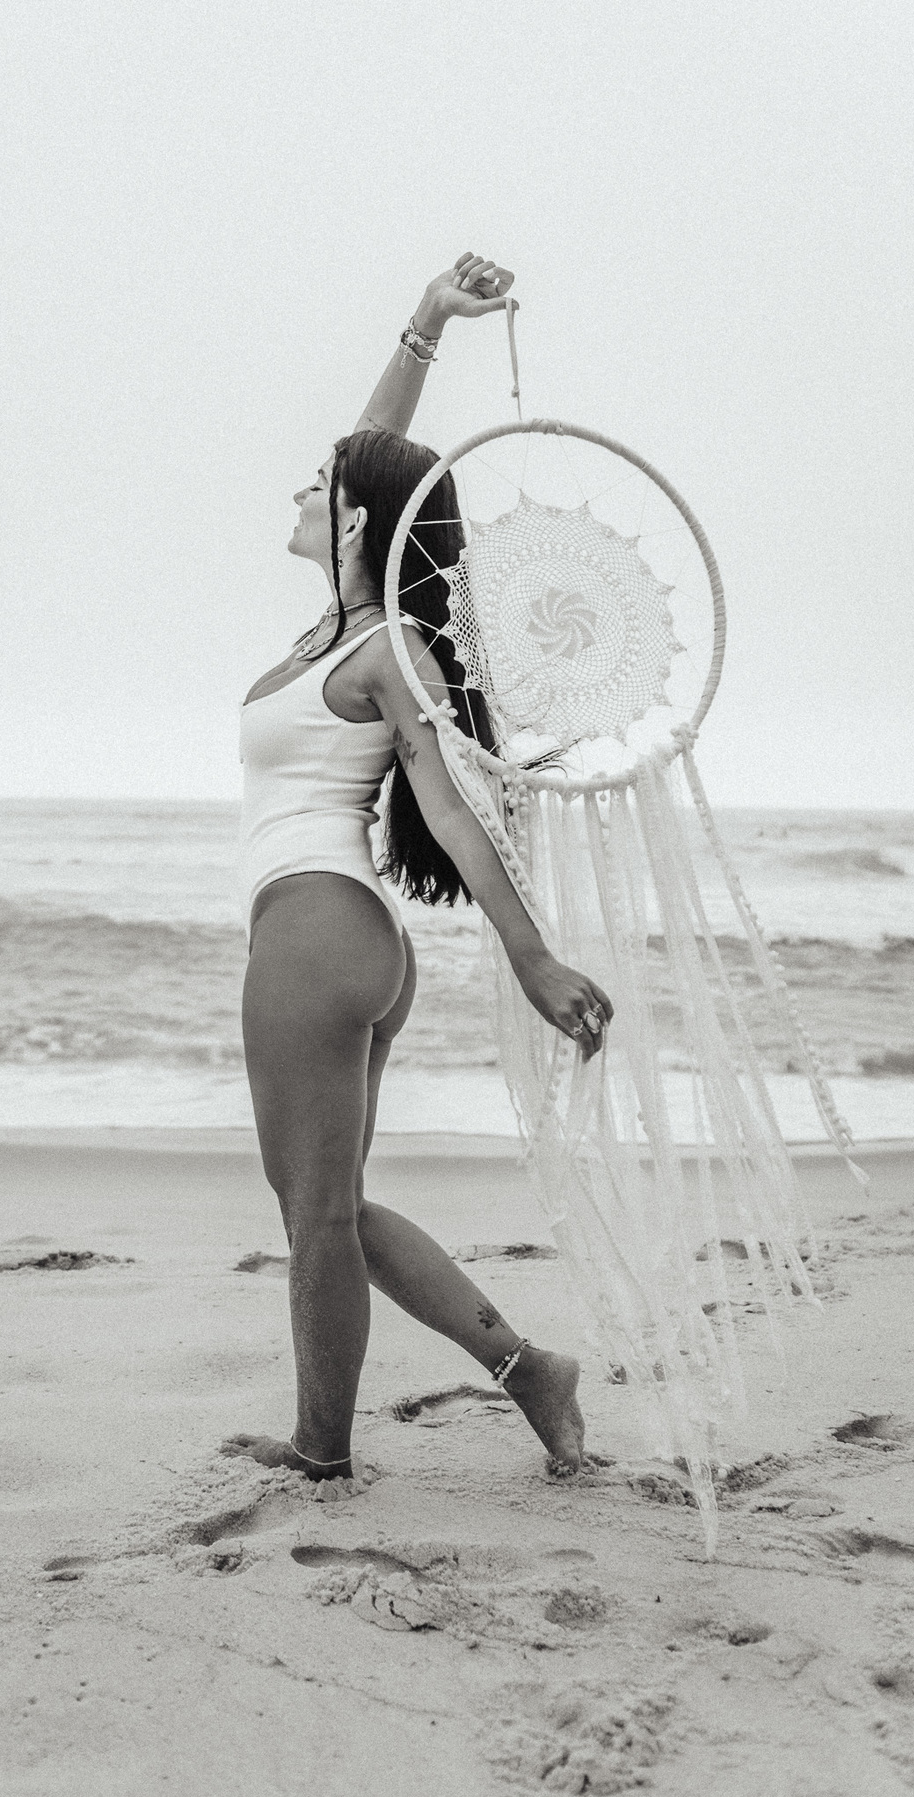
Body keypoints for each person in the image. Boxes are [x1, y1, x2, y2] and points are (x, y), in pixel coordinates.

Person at [222, 253, 613, 1484]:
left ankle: (320, 1452)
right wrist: (431, 319)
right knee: (326, 1209)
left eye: (320, 487)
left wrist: (533, 953)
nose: (302, 485)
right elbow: (372, 459)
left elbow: (445, 810)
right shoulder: (334, 630)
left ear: (350, 523)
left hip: (315, 936)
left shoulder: (383, 649)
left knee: (315, 1221)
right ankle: (529, 1370)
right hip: (347, 941)